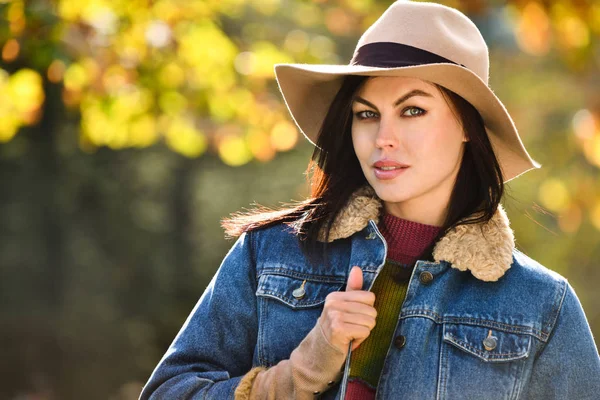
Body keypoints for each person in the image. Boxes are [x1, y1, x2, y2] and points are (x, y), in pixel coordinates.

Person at [139, 1, 600, 399]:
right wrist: (301, 371)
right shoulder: (270, 255)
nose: (384, 138)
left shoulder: (541, 307)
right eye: (366, 114)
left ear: (467, 126)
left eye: (413, 110)